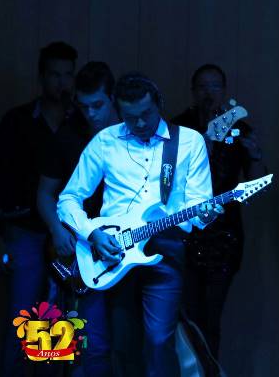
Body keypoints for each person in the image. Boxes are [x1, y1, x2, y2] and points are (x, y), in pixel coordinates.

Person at [57, 72, 222, 377]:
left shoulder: (188, 141)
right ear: (119, 111)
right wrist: (92, 233)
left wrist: (206, 214)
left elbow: (200, 206)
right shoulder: (105, 141)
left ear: (159, 104)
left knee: (159, 340)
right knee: (123, 344)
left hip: (165, 249)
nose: (141, 123)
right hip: (113, 253)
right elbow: (68, 199)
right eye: (131, 117)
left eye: (146, 114)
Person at [172, 63, 266, 376]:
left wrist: (255, 156)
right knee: (187, 315)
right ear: (193, 91)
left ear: (224, 91)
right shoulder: (179, 128)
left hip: (224, 237)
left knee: (212, 316)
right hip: (186, 233)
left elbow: (253, 188)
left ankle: (210, 371)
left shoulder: (239, 129)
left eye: (214, 86)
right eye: (202, 86)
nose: (208, 93)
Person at [0, 41, 77, 374]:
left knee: (57, 319)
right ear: (42, 77)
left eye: (68, 75)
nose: (61, 83)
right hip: (25, 229)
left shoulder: (80, 122)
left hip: (69, 234)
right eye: (55, 75)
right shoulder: (17, 121)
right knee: (22, 315)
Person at [37, 61, 119, 377]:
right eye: (84, 106)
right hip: (77, 250)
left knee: (118, 340)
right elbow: (45, 193)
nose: (91, 114)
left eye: (98, 105)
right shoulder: (68, 136)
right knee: (73, 340)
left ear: (113, 98)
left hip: (121, 245)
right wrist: (57, 231)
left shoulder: (130, 135)